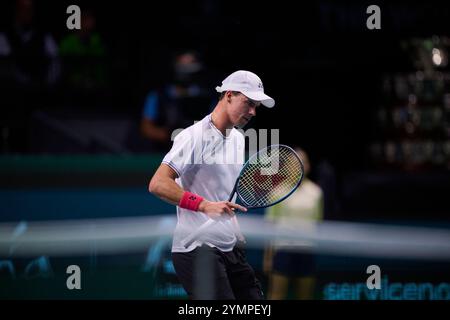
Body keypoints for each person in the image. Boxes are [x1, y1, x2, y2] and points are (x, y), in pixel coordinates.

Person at [148, 70, 275, 299]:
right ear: (228, 95)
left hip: (229, 247)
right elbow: (158, 183)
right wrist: (205, 206)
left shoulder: (237, 138)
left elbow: (224, 195)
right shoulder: (194, 136)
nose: (253, 112)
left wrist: (234, 228)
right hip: (196, 248)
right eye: (248, 103)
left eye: (256, 106)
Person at [263, 148, 324, 300]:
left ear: (308, 166)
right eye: (294, 163)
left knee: (305, 296)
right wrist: (268, 257)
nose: (299, 166)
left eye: (303, 162)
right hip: (283, 250)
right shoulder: (277, 192)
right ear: (287, 167)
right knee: (276, 296)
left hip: (306, 250)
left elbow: (318, 225)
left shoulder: (316, 192)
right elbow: (270, 227)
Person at [138, 50, 214, 152]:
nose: (186, 71)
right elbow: (146, 128)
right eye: (183, 66)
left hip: (200, 152)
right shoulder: (159, 96)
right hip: (165, 151)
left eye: (191, 65)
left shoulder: (207, 97)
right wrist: (171, 135)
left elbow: (219, 126)